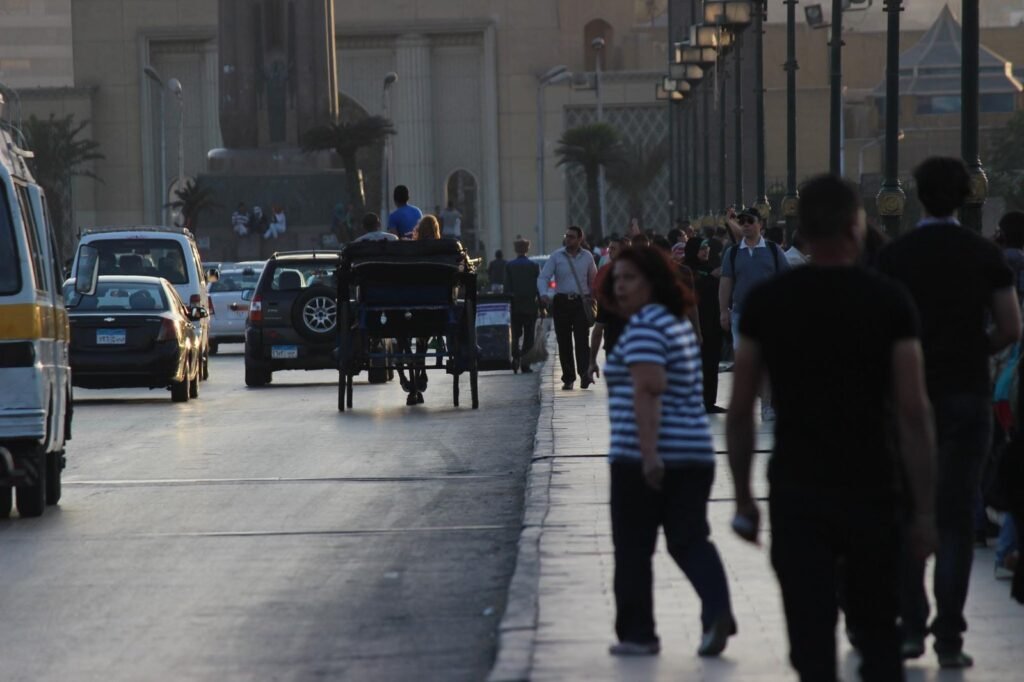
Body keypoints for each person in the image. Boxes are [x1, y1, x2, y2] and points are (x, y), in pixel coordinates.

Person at [727, 174, 938, 682]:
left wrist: (742, 499)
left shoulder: (767, 303)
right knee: (879, 631)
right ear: (856, 225)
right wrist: (926, 510)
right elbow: (912, 410)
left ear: (801, 231)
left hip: (798, 488)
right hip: (874, 484)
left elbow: (739, 411)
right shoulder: (889, 301)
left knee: (810, 637)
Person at [878, 157, 1022, 668]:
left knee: (906, 512)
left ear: (916, 195)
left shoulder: (896, 256)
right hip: (965, 393)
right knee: (957, 518)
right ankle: (950, 638)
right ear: (965, 197)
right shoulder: (984, 254)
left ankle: (910, 627)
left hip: (907, 397)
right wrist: (971, 350)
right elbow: (1009, 326)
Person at [601, 245, 736, 658]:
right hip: (693, 452)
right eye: (617, 279)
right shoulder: (674, 322)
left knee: (633, 547)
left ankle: (638, 633)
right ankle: (717, 609)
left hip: (645, 455)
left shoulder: (643, 327)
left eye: (630, 279)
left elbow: (648, 389)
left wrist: (648, 455)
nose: (620, 287)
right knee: (690, 539)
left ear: (653, 283)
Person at [719, 206, 789, 420]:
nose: (747, 225)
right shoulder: (732, 253)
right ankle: (755, 399)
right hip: (741, 314)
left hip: (769, 314)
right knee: (744, 362)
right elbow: (726, 282)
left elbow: (785, 281)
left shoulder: (772, 250)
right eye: (743, 222)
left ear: (760, 224)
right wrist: (723, 311)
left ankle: (767, 405)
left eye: (750, 221)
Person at [537, 225, 597, 390]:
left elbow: (594, 279)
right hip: (561, 302)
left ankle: (584, 375)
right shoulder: (557, 256)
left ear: (580, 239)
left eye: (572, 236)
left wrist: (593, 296)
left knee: (581, 340)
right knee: (564, 341)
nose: (568, 239)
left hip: (580, 303)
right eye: (567, 236)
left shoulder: (587, 257)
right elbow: (543, 277)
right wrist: (543, 293)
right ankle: (568, 378)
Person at [687, 238, 724, 412]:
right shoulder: (686, 270)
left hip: (713, 323)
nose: (705, 251)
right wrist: (710, 278)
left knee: (711, 363)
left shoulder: (711, 269)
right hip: (693, 324)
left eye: (707, 248)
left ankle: (709, 401)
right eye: (702, 248)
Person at [588, 236, 629, 382]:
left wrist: (592, 361)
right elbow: (598, 329)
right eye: (609, 248)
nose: (609, 251)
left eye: (613, 248)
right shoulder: (605, 271)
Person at [504, 237, 541, 373]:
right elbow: (539, 288)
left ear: (515, 249)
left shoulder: (509, 266)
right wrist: (542, 307)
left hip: (514, 306)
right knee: (529, 335)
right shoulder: (534, 266)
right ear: (527, 248)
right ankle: (525, 363)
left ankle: (515, 357)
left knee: (515, 334)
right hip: (530, 306)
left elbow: (507, 288)